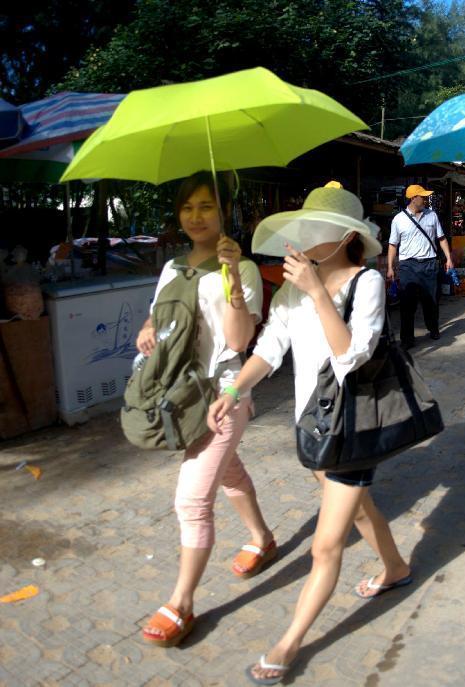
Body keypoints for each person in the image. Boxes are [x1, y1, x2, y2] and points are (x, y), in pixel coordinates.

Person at [207, 185, 411, 684]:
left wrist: (320, 293)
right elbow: (270, 348)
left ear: (344, 237)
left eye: (315, 228)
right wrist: (233, 390)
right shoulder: (294, 289)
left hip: (351, 427)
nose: (303, 237)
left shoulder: (366, 284)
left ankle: (288, 643)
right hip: (311, 425)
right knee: (361, 507)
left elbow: (350, 355)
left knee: (325, 545)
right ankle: (396, 567)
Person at [140, 171, 275, 647]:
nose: (195, 216)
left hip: (223, 394)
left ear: (225, 212)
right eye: (187, 207)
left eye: (206, 207)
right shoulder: (173, 266)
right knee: (230, 473)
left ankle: (181, 603)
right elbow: (159, 315)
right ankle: (262, 538)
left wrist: (233, 273)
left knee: (193, 499)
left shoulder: (245, 269)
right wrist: (147, 331)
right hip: (178, 394)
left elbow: (239, 340)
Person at [387, 184, 454, 349]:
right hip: (407, 266)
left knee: (431, 301)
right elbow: (393, 245)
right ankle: (407, 339)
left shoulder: (432, 215)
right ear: (413, 198)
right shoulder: (398, 219)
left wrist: (449, 258)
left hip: (429, 264)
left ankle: (433, 329)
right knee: (407, 304)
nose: (425, 199)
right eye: (422, 196)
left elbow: (442, 238)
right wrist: (390, 266)